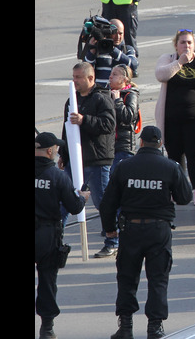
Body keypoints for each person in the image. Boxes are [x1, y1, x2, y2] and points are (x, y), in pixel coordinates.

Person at [100, 126, 193, 339]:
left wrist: (110, 229)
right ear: (160, 143)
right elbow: (185, 197)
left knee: (126, 278)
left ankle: (125, 327)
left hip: (130, 229)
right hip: (159, 229)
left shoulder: (124, 167)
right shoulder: (170, 167)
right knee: (158, 278)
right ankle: (155, 327)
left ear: (140, 142)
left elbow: (108, 203)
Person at [35, 132, 90, 339]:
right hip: (48, 234)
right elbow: (74, 207)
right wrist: (83, 197)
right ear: (50, 151)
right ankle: (47, 328)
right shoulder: (58, 176)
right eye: (56, 149)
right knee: (47, 280)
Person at [155, 30, 195, 206]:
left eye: (190, 42)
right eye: (183, 42)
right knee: (174, 156)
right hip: (171, 119)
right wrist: (179, 63)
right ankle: (178, 190)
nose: (187, 46)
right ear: (176, 45)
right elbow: (161, 75)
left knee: (194, 154)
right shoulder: (168, 59)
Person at [61, 61, 117, 258]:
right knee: (63, 199)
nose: (74, 81)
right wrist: (64, 154)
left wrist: (85, 120)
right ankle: (54, 238)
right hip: (75, 160)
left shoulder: (102, 98)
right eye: (73, 77)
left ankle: (113, 240)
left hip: (97, 159)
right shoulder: (72, 99)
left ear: (90, 78)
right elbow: (67, 129)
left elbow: (109, 125)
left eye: (78, 77)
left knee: (103, 202)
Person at [82, 18, 139, 86]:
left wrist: (111, 49)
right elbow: (85, 70)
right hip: (100, 92)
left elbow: (133, 65)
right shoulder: (98, 49)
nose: (118, 37)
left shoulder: (127, 49)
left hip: (119, 92)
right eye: (115, 33)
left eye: (120, 33)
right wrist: (92, 50)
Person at [109, 64, 140, 171]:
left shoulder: (130, 94)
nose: (110, 77)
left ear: (125, 79)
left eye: (115, 74)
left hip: (124, 147)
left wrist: (118, 101)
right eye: (111, 74)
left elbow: (128, 116)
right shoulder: (107, 93)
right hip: (108, 148)